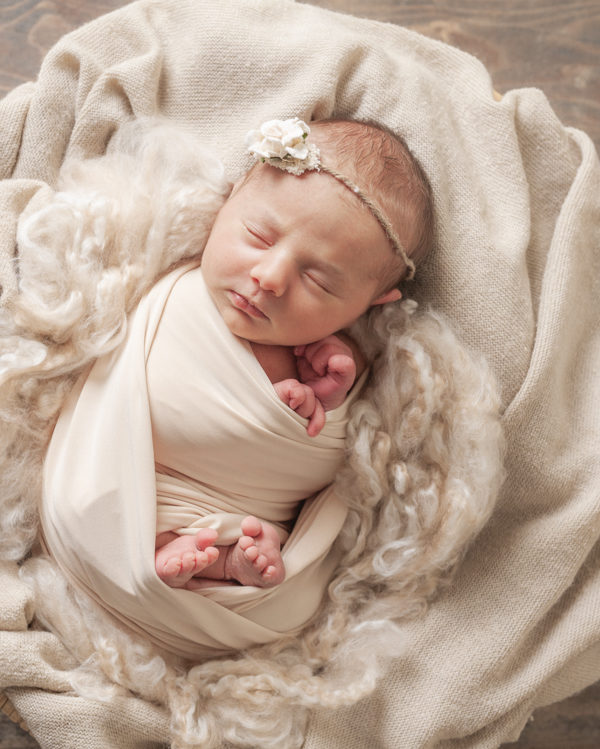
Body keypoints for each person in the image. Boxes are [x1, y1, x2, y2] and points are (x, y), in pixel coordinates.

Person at [153, 117, 433, 592]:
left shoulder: (335, 356)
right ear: (231, 194)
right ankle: (178, 543)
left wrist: (325, 397)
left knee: (259, 533)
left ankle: (224, 559)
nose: (270, 277)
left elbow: (333, 454)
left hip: (242, 503)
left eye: (318, 281)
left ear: (371, 304)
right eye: (259, 236)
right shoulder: (169, 288)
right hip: (132, 473)